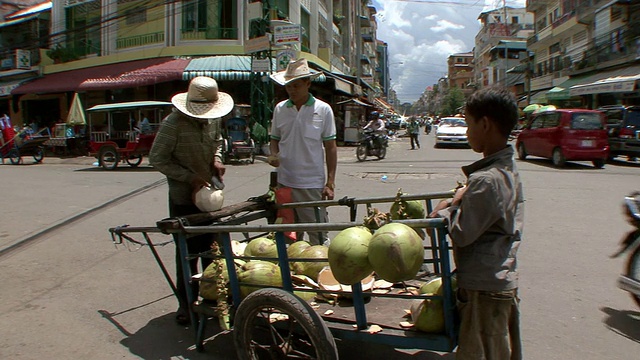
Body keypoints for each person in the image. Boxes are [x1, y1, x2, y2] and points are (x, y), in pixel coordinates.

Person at [428, 86, 523, 360]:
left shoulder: (486, 180)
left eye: (468, 124)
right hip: (497, 281)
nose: (467, 132)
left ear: (485, 124)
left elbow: (461, 233)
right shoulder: (506, 169)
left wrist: (450, 205)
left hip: (485, 290)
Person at [149, 76, 233, 325]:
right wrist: (188, 177)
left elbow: (217, 142)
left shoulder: (213, 119)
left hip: (209, 196)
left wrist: (217, 159)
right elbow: (158, 158)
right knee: (187, 253)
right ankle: (185, 304)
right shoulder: (172, 124)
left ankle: (212, 298)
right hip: (183, 199)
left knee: (212, 251)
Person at [267, 58, 337, 246]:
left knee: (318, 235)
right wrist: (274, 154)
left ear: (308, 83)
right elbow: (274, 138)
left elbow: (330, 148)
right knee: (291, 235)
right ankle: (295, 272)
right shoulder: (280, 109)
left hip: (311, 184)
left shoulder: (323, 110)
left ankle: (321, 270)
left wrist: (330, 182)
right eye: (289, 86)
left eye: (296, 86)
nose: (292, 90)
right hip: (285, 183)